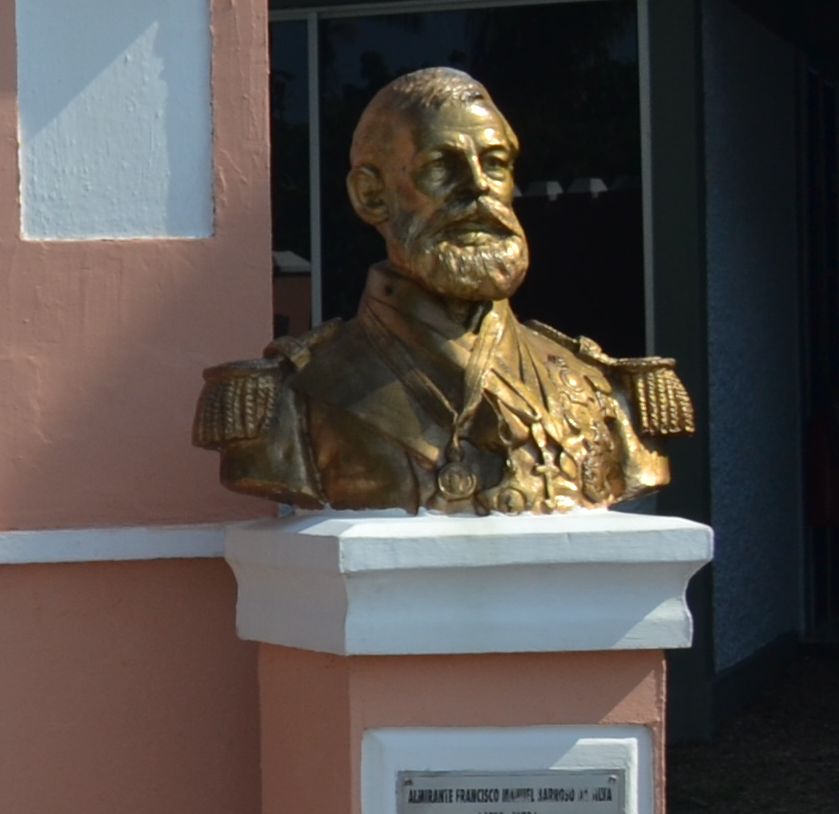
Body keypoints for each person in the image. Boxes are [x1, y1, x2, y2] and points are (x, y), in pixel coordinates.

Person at [195, 63, 688, 513]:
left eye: (494, 163)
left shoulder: (600, 388)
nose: (477, 186)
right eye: (440, 166)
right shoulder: (294, 396)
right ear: (371, 196)